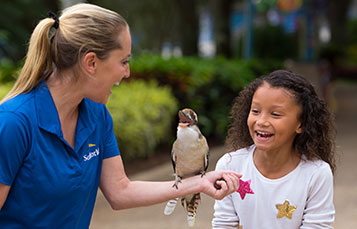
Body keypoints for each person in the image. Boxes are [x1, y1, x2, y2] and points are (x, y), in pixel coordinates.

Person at [0, 3, 241, 227]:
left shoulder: (97, 115)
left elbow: (120, 191)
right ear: (91, 63)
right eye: (124, 61)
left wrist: (199, 182)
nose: (127, 73)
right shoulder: (13, 123)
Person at [212, 70, 336, 228]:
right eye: (255, 111)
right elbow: (223, 224)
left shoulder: (317, 173)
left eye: (275, 114)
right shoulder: (230, 166)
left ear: (301, 124)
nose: (261, 121)